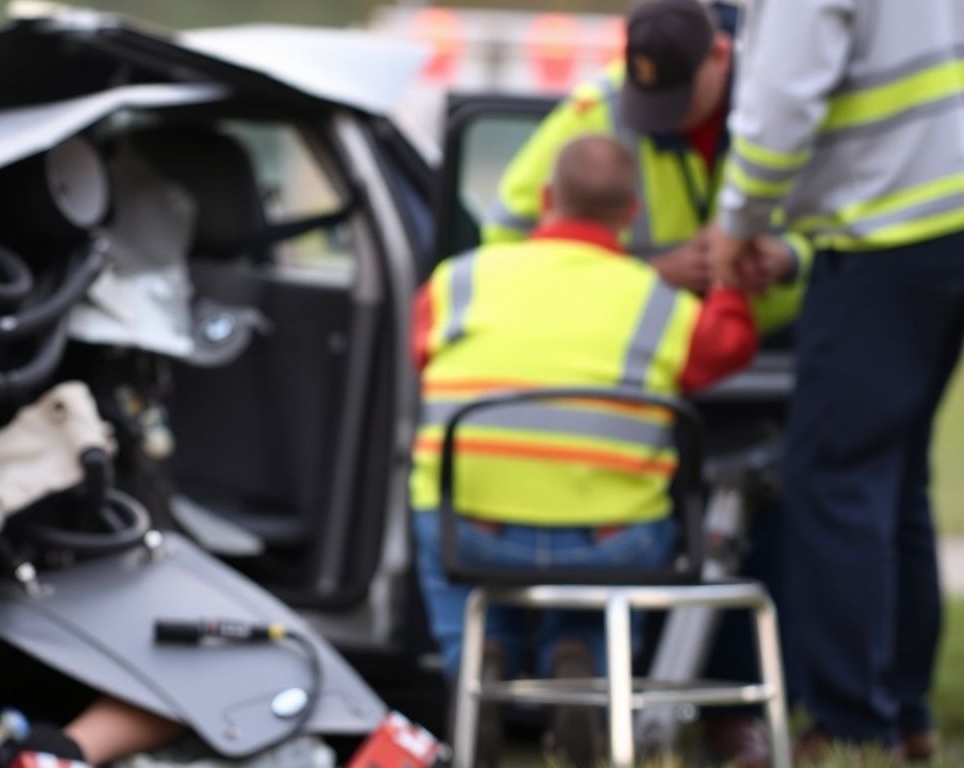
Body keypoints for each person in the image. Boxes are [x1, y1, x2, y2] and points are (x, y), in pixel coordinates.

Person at [410, 135, 758, 762]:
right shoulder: (657, 303)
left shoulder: (457, 283)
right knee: (598, 571)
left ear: (545, 199)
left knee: (442, 507)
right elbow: (727, 347)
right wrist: (727, 273)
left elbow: (419, 350)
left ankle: (479, 664)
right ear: (629, 216)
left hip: (477, 535)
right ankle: (587, 670)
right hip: (609, 543)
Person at [708, 0, 964, 761]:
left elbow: (783, 99)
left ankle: (855, 724)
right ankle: (905, 709)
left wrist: (739, 222)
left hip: (884, 233)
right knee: (894, 474)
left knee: (834, 478)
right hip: (946, 223)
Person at [485, 0, 808, 334]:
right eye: (647, 99)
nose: (662, 117)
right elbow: (505, 242)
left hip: (777, 350)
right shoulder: (596, 112)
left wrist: (788, 259)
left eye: (679, 98)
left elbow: (844, 229)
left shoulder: (784, 109)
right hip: (640, 347)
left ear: (720, 56)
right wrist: (644, 276)